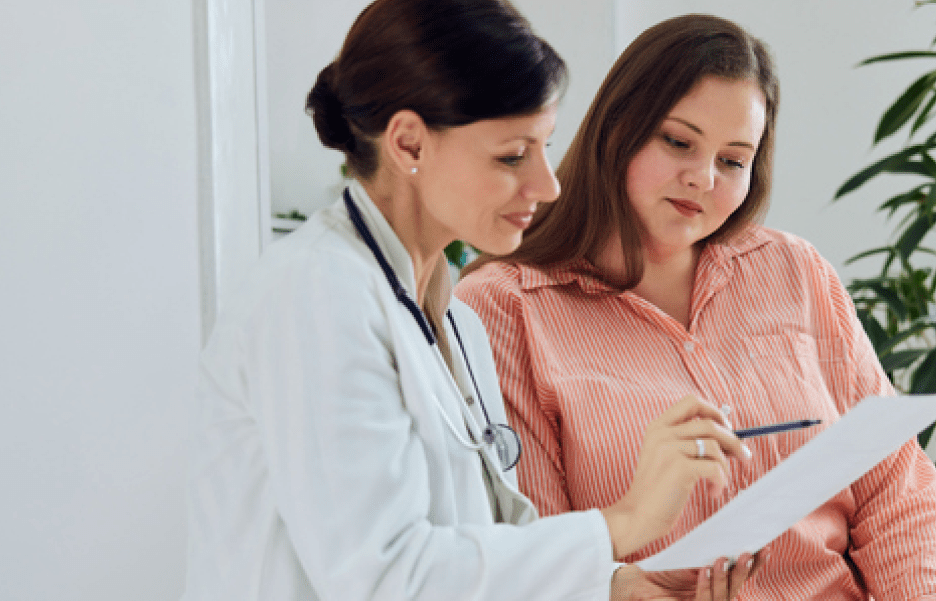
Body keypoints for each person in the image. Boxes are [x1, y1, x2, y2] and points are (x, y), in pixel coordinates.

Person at [181, 2, 764, 599]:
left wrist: (611, 584)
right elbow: (385, 579)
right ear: (409, 144)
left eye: (545, 147)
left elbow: (487, 542)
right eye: (513, 155)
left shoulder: (455, 321)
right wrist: (628, 521)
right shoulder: (313, 297)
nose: (548, 184)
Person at [456, 13, 936, 600]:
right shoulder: (504, 308)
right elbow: (537, 559)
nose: (702, 178)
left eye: (732, 160)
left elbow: (898, 492)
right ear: (616, 127)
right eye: (678, 142)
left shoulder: (794, 272)